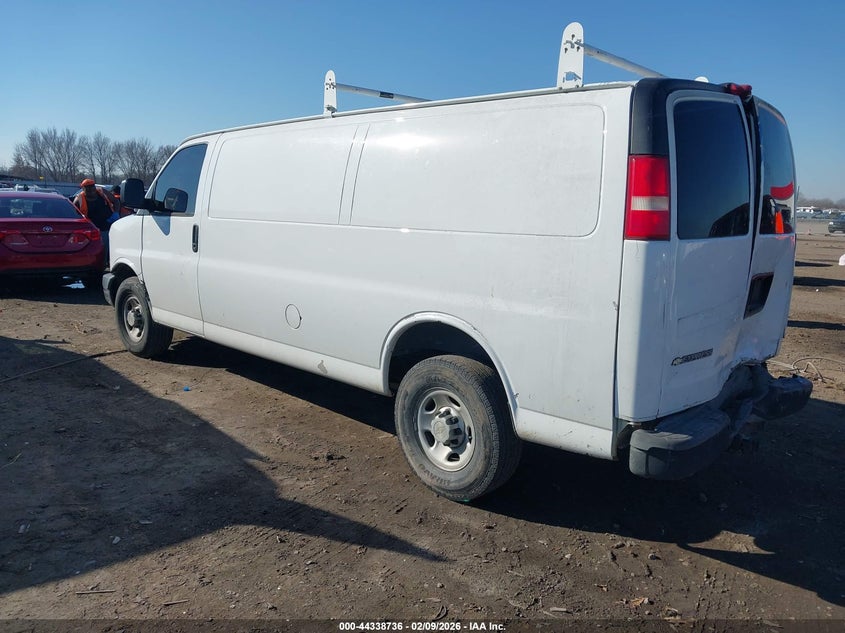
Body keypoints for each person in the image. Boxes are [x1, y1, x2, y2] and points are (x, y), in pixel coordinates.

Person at [73, 178, 116, 265]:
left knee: (106, 248)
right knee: (94, 249)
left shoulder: (102, 192)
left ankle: (105, 265)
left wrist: (115, 214)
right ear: (83, 188)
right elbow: (74, 213)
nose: (90, 189)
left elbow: (115, 201)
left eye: (92, 186)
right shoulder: (79, 199)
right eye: (87, 187)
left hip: (105, 226)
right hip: (91, 229)